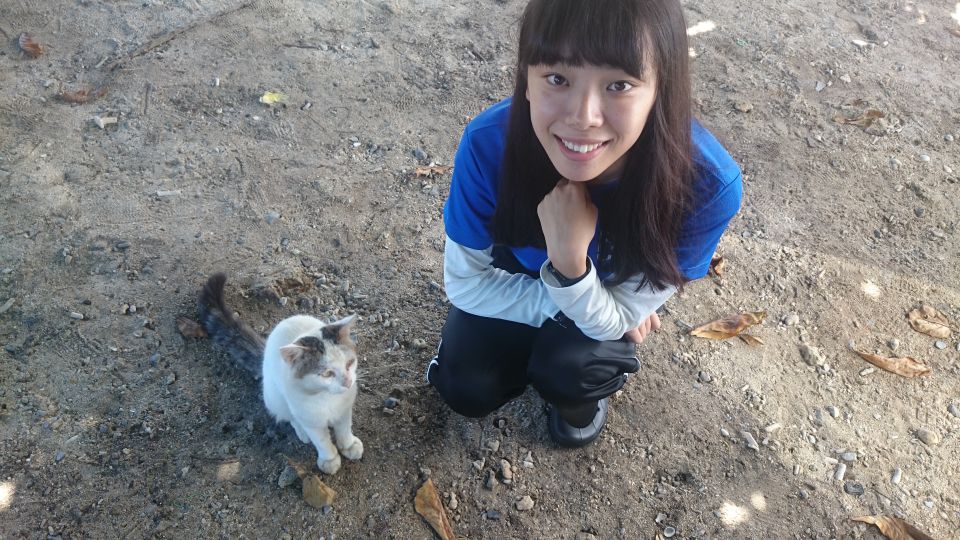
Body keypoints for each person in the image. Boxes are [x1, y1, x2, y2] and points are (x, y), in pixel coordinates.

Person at [427, 0, 743, 448]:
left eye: (619, 85)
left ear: (661, 89)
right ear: (526, 78)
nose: (583, 116)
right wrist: (591, 307)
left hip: (608, 283)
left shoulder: (707, 185)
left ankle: (578, 400)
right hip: (527, 276)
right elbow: (466, 284)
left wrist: (571, 266)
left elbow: (628, 306)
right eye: (558, 78)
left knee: (573, 368)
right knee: (465, 387)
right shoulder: (488, 146)